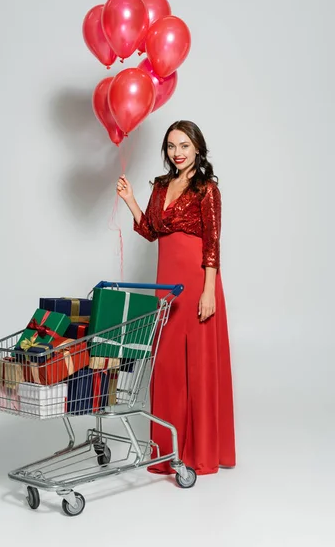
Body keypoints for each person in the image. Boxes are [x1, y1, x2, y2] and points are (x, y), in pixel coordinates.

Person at [116, 120, 236, 475]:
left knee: (198, 365)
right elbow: (152, 231)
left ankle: (201, 452)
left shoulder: (206, 190)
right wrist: (131, 201)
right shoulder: (161, 186)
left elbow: (212, 243)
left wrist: (209, 291)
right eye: (171, 146)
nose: (177, 152)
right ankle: (168, 451)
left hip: (198, 283)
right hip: (166, 286)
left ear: (197, 148)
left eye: (184, 145)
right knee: (167, 365)